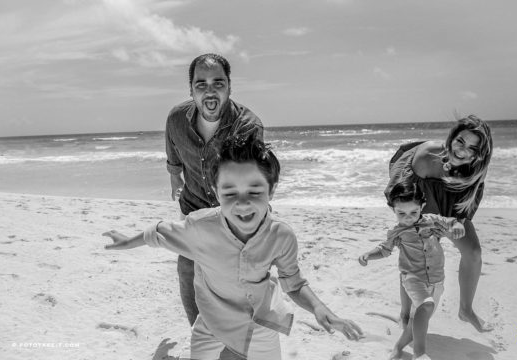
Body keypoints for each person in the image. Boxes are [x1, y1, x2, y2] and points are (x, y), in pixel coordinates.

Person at [103, 135, 363, 360]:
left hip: (261, 321)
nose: (242, 203)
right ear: (216, 192)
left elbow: (293, 283)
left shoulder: (281, 235)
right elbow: (159, 233)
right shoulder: (200, 227)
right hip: (211, 321)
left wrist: (319, 308)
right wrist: (127, 241)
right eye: (229, 193)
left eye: (254, 191)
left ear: (272, 190)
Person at [165, 53, 264, 329]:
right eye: (201, 84)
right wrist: (174, 176)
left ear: (229, 86)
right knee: (188, 268)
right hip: (194, 207)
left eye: (218, 83)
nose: (210, 90)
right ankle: (201, 335)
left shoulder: (248, 126)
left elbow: (254, 183)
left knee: (236, 282)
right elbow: (173, 150)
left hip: (235, 215)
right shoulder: (176, 119)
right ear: (191, 89)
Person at [384, 115, 493, 332]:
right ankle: (405, 316)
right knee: (417, 253)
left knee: (473, 252)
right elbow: (403, 194)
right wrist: (415, 227)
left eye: (472, 148)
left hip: (451, 201)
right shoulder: (427, 157)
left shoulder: (475, 169)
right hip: (419, 194)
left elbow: (465, 202)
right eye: (460, 141)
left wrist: (458, 222)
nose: (462, 151)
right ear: (452, 137)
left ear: (479, 154)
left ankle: (466, 310)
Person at [359, 181, 465, 360]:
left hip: (437, 279)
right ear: (393, 209)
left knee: (418, 320)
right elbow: (384, 250)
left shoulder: (432, 220)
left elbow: (450, 221)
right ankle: (419, 353)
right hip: (412, 277)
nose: (408, 217)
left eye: (413, 212)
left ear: (422, 206)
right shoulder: (396, 231)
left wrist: (457, 225)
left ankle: (398, 348)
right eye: (401, 213)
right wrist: (369, 254)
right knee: (426, 305)